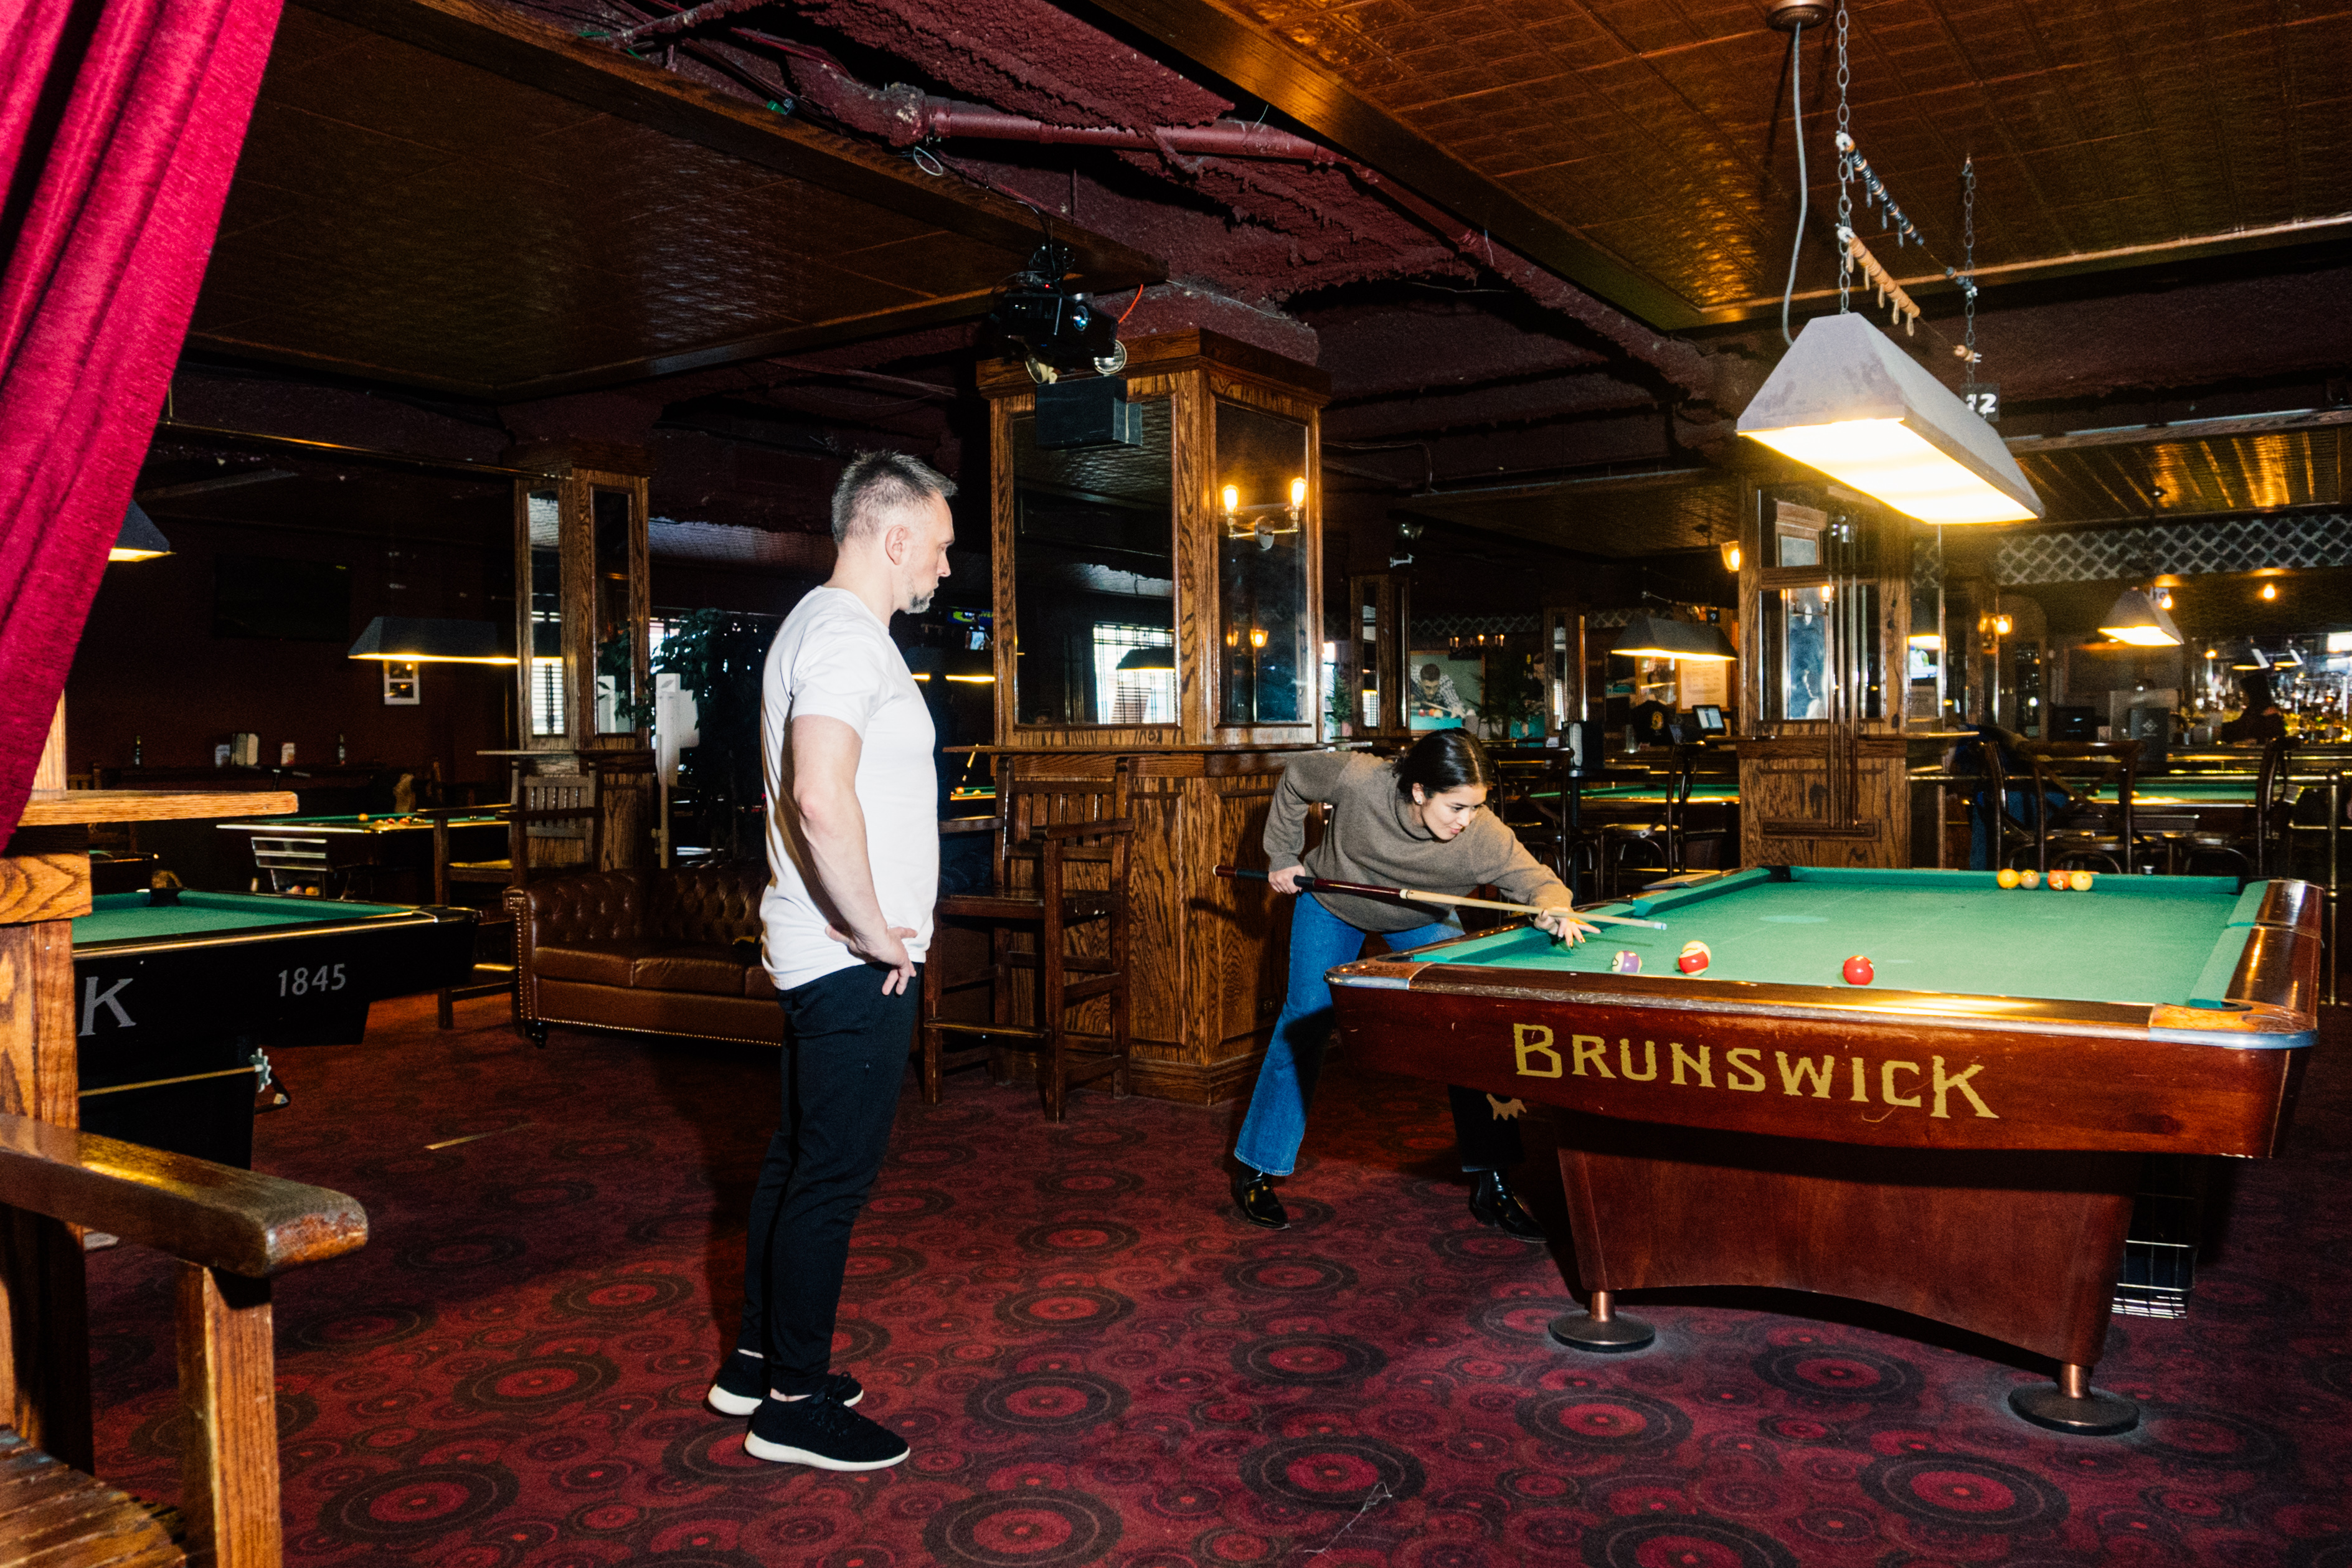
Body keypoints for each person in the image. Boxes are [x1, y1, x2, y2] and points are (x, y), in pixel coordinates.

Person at [702, 451, 956, 1472]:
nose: (943, 567)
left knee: (796, 1158)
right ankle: (793, 1405)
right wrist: (873, 927)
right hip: (851, 958)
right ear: (894, 537)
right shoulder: (850, 637)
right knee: (831, 1180)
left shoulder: (815, 622)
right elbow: (818, 793)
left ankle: (757, 1360)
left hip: (816, 951)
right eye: (938, 546)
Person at [1230, 731, 1596, 1235]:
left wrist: (1555, 907)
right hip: (1333, 904)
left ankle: (1492, 1180)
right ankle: (1256, 1168)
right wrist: (1283, 854)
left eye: (1476, 806)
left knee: (1469, 1024)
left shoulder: (1481, 835)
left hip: (1420, 916)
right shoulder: (1360, 779)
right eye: (1456, 807)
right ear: (1420, 791)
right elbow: (1296, 778)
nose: (1466, 820)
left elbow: (1537, 882)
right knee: (1305, 1022)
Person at [2221, 672, 2287, 745]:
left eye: (2245, 694)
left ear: (2253, 695)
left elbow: (2240, 729)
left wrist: (2220, 730)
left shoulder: (2266, 713)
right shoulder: (2255, 711)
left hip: (2258, 751)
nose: (2243, 698)